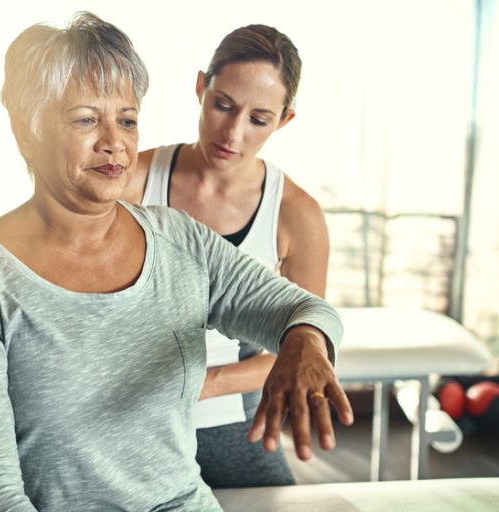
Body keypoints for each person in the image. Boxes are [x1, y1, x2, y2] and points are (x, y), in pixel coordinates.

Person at [0, 12, 352, 512]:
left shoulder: (179, 238)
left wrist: (306, 339)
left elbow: (310, 311)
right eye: (85, 119)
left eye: (126, 119)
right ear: (25, 129)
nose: (114, 142)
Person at [123, 24, 327, 488]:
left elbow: (300, 351)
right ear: (201, 87)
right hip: (131, 415)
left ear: (284, 120)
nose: (233, 133)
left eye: (259, 119)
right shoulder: (134, 178)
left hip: (229, 420)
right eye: (223, 105)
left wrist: (201, 384)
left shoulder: (298, 215)